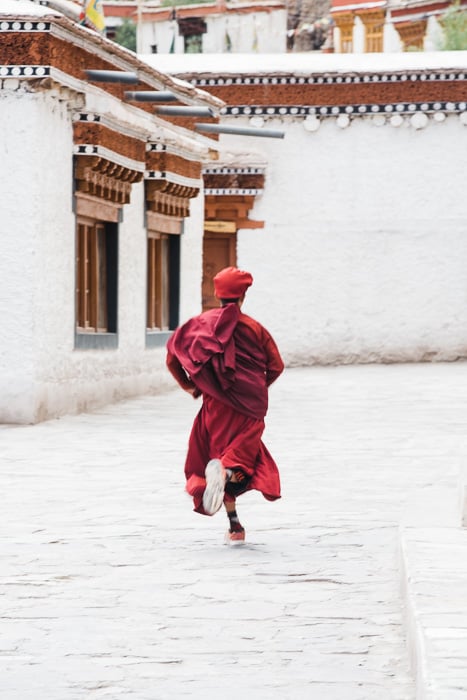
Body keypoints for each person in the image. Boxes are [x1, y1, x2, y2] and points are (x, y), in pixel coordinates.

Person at [166, 266, 284, 544]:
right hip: (250, 409)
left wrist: (192, 386)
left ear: (217, 294)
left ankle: (235, 526)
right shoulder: (255, 328)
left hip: (215, 407)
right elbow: (276, 366)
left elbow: (172, 358)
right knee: (240, 462)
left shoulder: (198, 325)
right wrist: (254, 387)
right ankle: (226, 474)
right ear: (243, 295)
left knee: (220, 455)